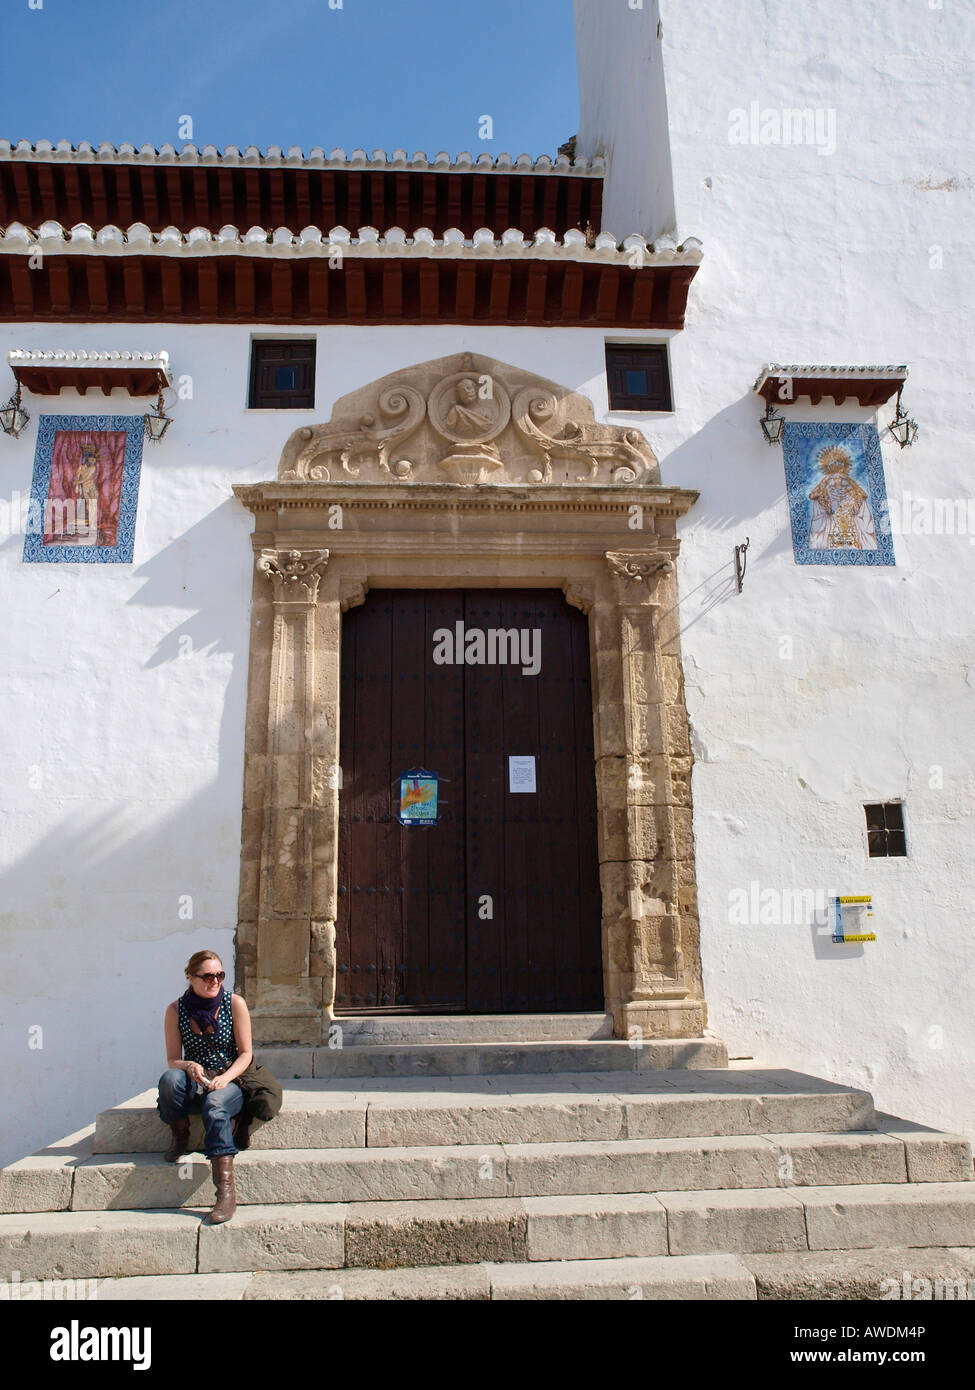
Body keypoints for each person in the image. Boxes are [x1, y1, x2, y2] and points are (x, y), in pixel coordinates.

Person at [157, 950, 253, 1225]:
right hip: (195, 1080)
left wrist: (225, 1078)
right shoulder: (175, 1010)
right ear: (190, 977)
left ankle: (225, 1193)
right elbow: (173, 1059)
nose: (215, 981)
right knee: (168, 1080)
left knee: (215, 1104)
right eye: (207, 976)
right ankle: (180, 1135)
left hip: (228, 1078)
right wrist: (188, 1066)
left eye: (219, 975)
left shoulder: (234, 1003)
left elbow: (246, 1054)